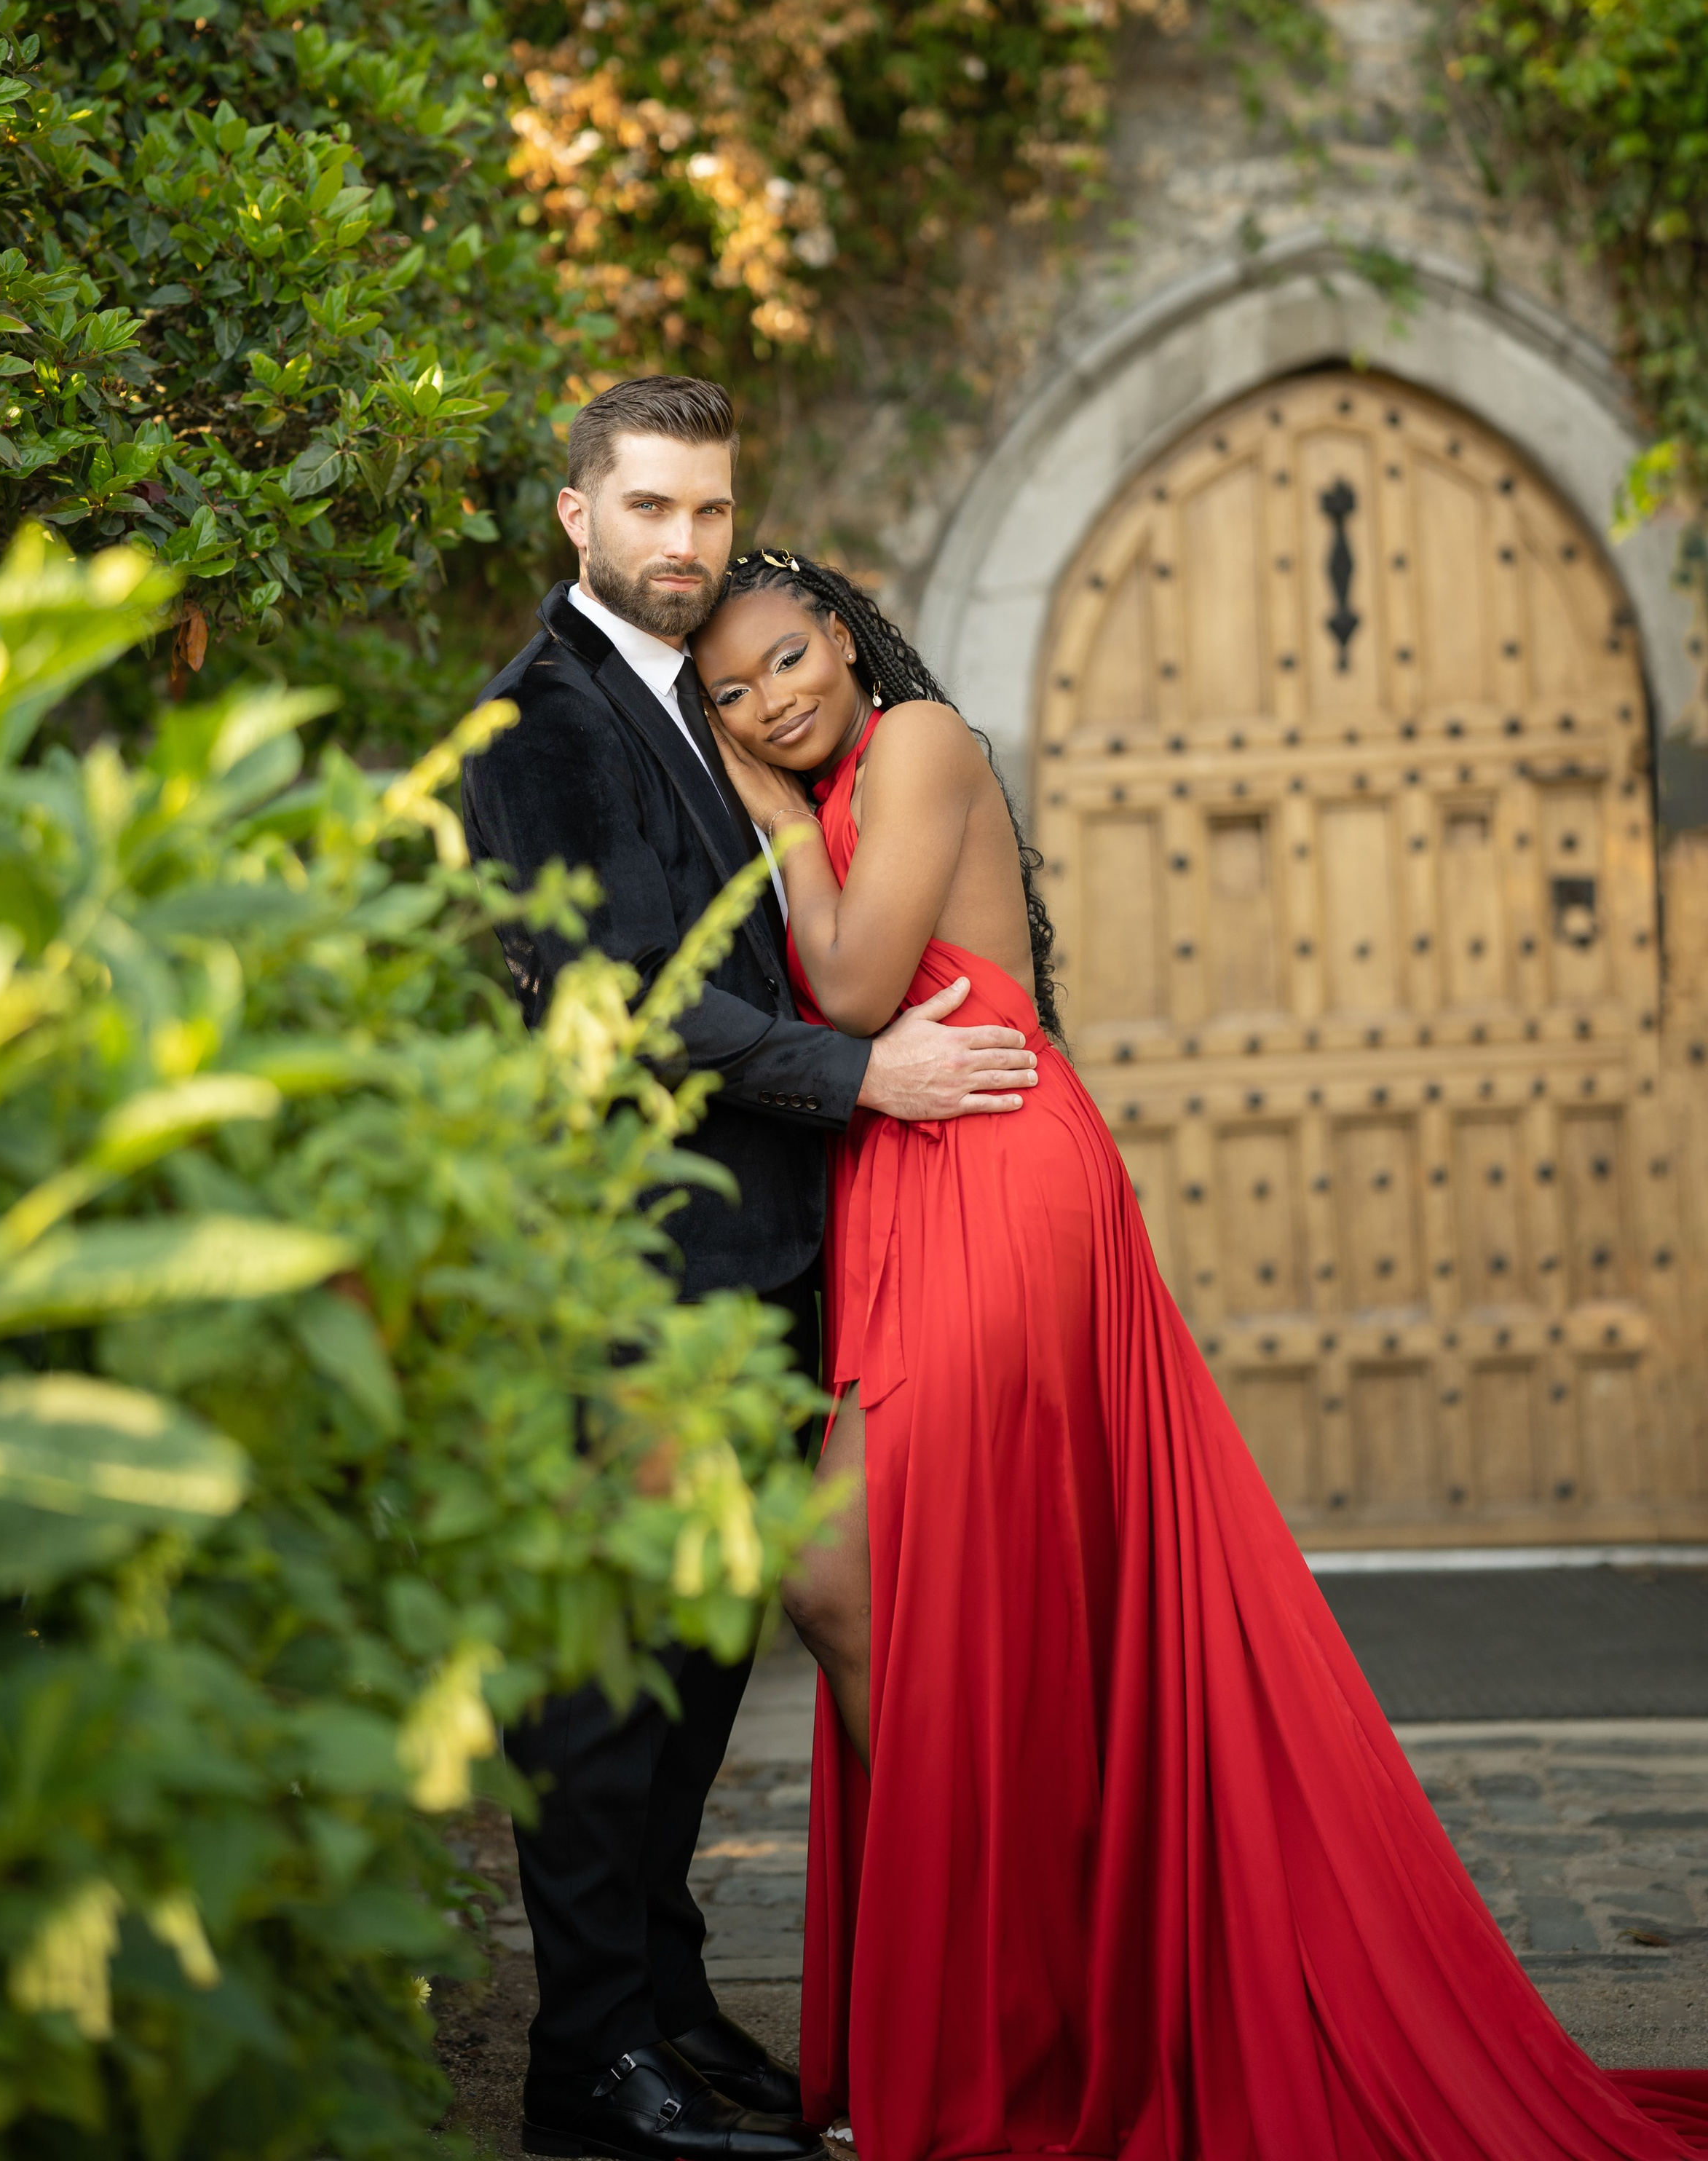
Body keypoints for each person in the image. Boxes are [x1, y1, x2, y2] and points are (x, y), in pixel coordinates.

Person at [691, 545, 1708, 2161]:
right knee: (918, 1600)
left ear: (844, 630)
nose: (769, 702)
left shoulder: (920, 742)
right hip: (909, 1177)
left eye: (785, 660)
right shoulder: (844, 776)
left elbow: (855, 983)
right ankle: (1015, 1997)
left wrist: (763, 829)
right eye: (732, 692)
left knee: (847, 1579)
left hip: (999, 1173)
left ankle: (1011, 2011)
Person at [461, 379, 1040, 2161]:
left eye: (706, 511)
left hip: (773, 1267)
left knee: (702, 1657)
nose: (681, 544)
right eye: (646, 508)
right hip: (638, 1272)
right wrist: (861, 1073)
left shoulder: (696, 706)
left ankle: (666, 1997)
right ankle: (592, 2068)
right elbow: (612, 998)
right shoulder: (534, 725)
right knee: (608, 1672)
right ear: (577, 516)